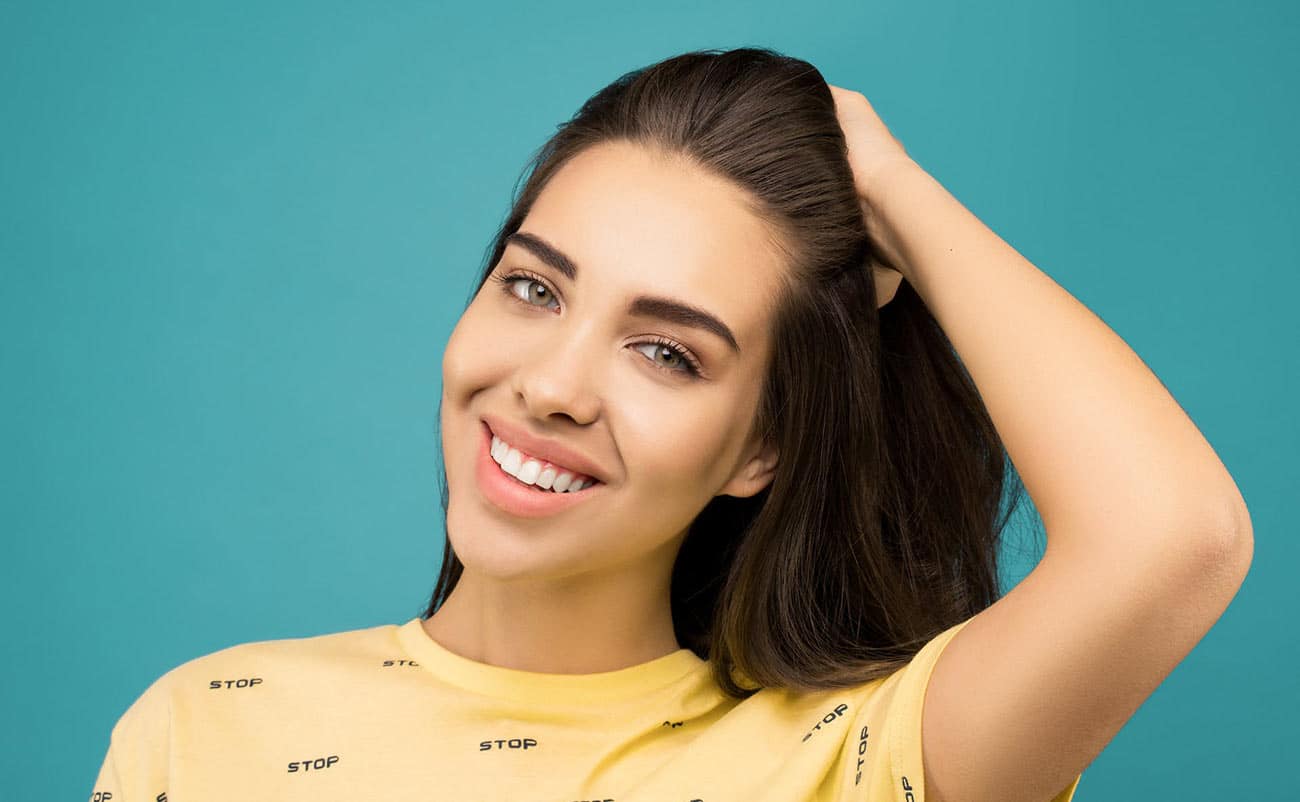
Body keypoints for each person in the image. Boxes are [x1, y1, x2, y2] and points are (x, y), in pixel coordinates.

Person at [89, 47, 1252, 802]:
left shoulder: (846, 760)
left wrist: (891, 186)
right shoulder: (203, 727)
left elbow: (1174, 539)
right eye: (534, 287)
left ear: (763, 447)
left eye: (666, 350)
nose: (553, 385)